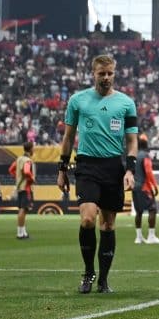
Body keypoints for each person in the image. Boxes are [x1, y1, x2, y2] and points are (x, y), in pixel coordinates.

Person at [57, 54, 138, 294]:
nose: (105, 77)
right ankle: (88, 272)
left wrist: (130, 170)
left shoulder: (126, 103)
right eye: (101, 73)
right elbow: (69, 137)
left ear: (115, 73)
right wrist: (62, 169)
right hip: (87, 166)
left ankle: (103, 279)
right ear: (93, 74)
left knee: (108, 224)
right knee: (88, 218)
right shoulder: (78, 100)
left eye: (109, 73)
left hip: (113, 167)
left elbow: (132, 141)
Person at [132, 134, 159, 245]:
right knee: (152, 209)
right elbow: (149, 172)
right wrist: (154, 186)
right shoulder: (146, 155)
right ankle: (151, 236)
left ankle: (139, 237)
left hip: (135, 187)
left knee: (138, 212)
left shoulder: (135, 155)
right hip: (144, 187)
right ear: (146, 144)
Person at [9, 141, 35, 239]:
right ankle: (20, 233)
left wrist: (17, 178)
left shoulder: (19, 159)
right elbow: (27, 171)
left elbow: (11, 169)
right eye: (33, 148)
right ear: (30, 149)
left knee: (23, 210)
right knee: (23, 210)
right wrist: (32, 178)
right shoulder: (27, 160)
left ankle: (23, 232)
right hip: (26, 188)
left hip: (20, 187)